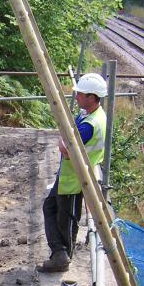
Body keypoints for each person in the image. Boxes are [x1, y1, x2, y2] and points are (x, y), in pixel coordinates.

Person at [37, 73, 108, 273]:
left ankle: (63, 258)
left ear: (92, 97)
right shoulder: (87, 114)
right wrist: (64, 138)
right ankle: (59, 251)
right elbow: (66, 134)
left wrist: (63, 140)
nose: (76, 97)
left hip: (76, 179)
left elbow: (66, 148)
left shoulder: (89, 124)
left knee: (67, 219)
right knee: (50, 208)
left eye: (81, 94)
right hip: (69, 175)